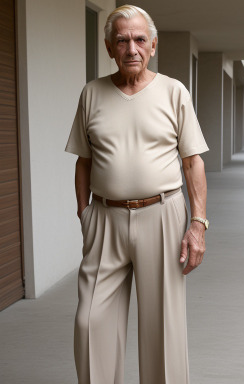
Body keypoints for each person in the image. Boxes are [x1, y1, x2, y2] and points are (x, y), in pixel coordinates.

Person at [64, 4, 209, 384]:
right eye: (122, 40)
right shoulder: (91, 93)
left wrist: (197, 224)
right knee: (90, 323)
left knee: (162, 328)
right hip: (105, 219)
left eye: (140, 39)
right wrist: (85, 215)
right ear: (109, 47)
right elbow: (83, 161)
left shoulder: (174, 92)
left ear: (153, 45)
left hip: (163, 215)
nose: (132, 48)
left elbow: (192, 162)